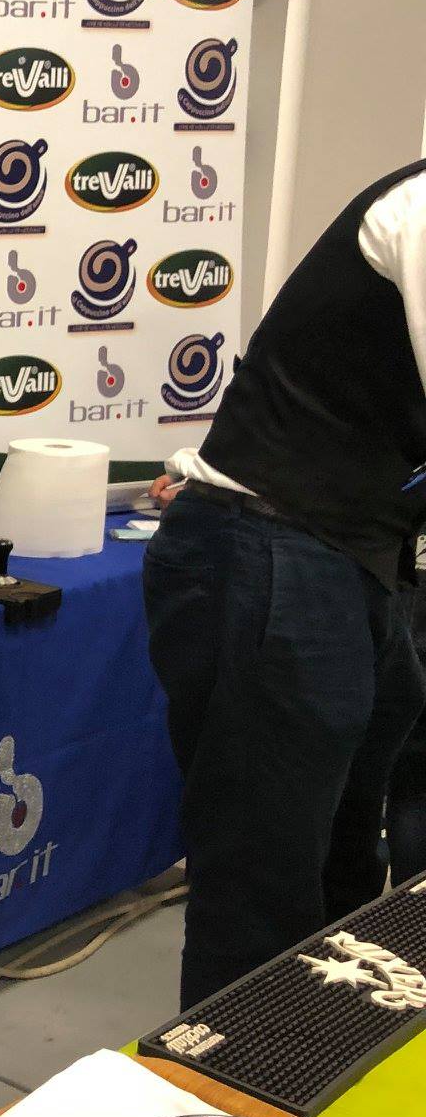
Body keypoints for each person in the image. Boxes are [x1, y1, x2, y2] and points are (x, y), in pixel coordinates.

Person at [145, 161, 426, 1010]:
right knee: (262, 892)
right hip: (272, 546)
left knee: (346, 868)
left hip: (352, 553)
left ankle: (319, 1060)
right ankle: (239, 1087)